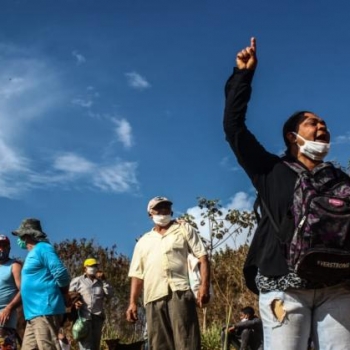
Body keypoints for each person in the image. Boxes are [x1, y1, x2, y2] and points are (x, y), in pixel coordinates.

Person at [223, 37, 350, 350]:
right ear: (293, 136)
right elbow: (234, 129)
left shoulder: (340, 179)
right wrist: (243, 76)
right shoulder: (270, 170)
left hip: (338, 286)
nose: (321, 126)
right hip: (283, 287)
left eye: (324, 124)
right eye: (312, 122)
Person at [126, 196, 210, 350]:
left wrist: (204, 286)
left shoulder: (183, 229)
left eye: (166, 207)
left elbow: (202, 257)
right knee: (159, 344)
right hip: (153, 297)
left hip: (180, 292)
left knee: (187, 342)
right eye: (158, 208)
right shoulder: (143, 241)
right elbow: (137, 275)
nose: (163, 211)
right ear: (150, 213)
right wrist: (132, 302)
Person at [12, 218, 70, 350]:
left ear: (27, 235)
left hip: (45, 309)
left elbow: (61, 273)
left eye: (21, 236)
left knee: (47, 347)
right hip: (33, 314)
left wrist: (65, 294)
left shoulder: (43, 248)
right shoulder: (33, 253)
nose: (20, 240)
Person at [69, 258, 112, 350]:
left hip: (97, 318)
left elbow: (109, 295)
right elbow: (69, 296)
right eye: (91, 266)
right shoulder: (78, 281)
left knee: (95, 346)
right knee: (86, 347)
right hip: (83, 319)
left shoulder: (101, 282)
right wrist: (75, 302)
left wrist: (104, 280)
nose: (94, 268)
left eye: (95, 266)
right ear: (85, 268)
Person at [0, 235, 22, 350]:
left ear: (9, 248)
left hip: (4, 323)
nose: (1, 249)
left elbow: (23, 290)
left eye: (4, 246)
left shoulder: (14, 265)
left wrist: (8, 308)